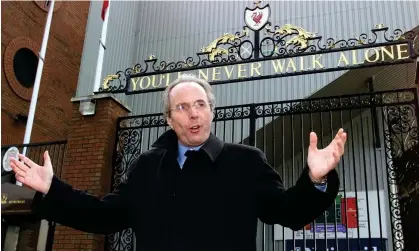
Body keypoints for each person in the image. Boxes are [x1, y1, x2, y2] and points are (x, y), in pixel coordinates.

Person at [10, 74, 347, 251]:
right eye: (182, 107)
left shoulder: (245, 162)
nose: (193, 113)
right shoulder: (147, 167)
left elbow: (286, 211)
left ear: (211, 112)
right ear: (169, 119)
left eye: (200, 104)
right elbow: (105, 216)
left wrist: (314, 180)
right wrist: (52, 188)